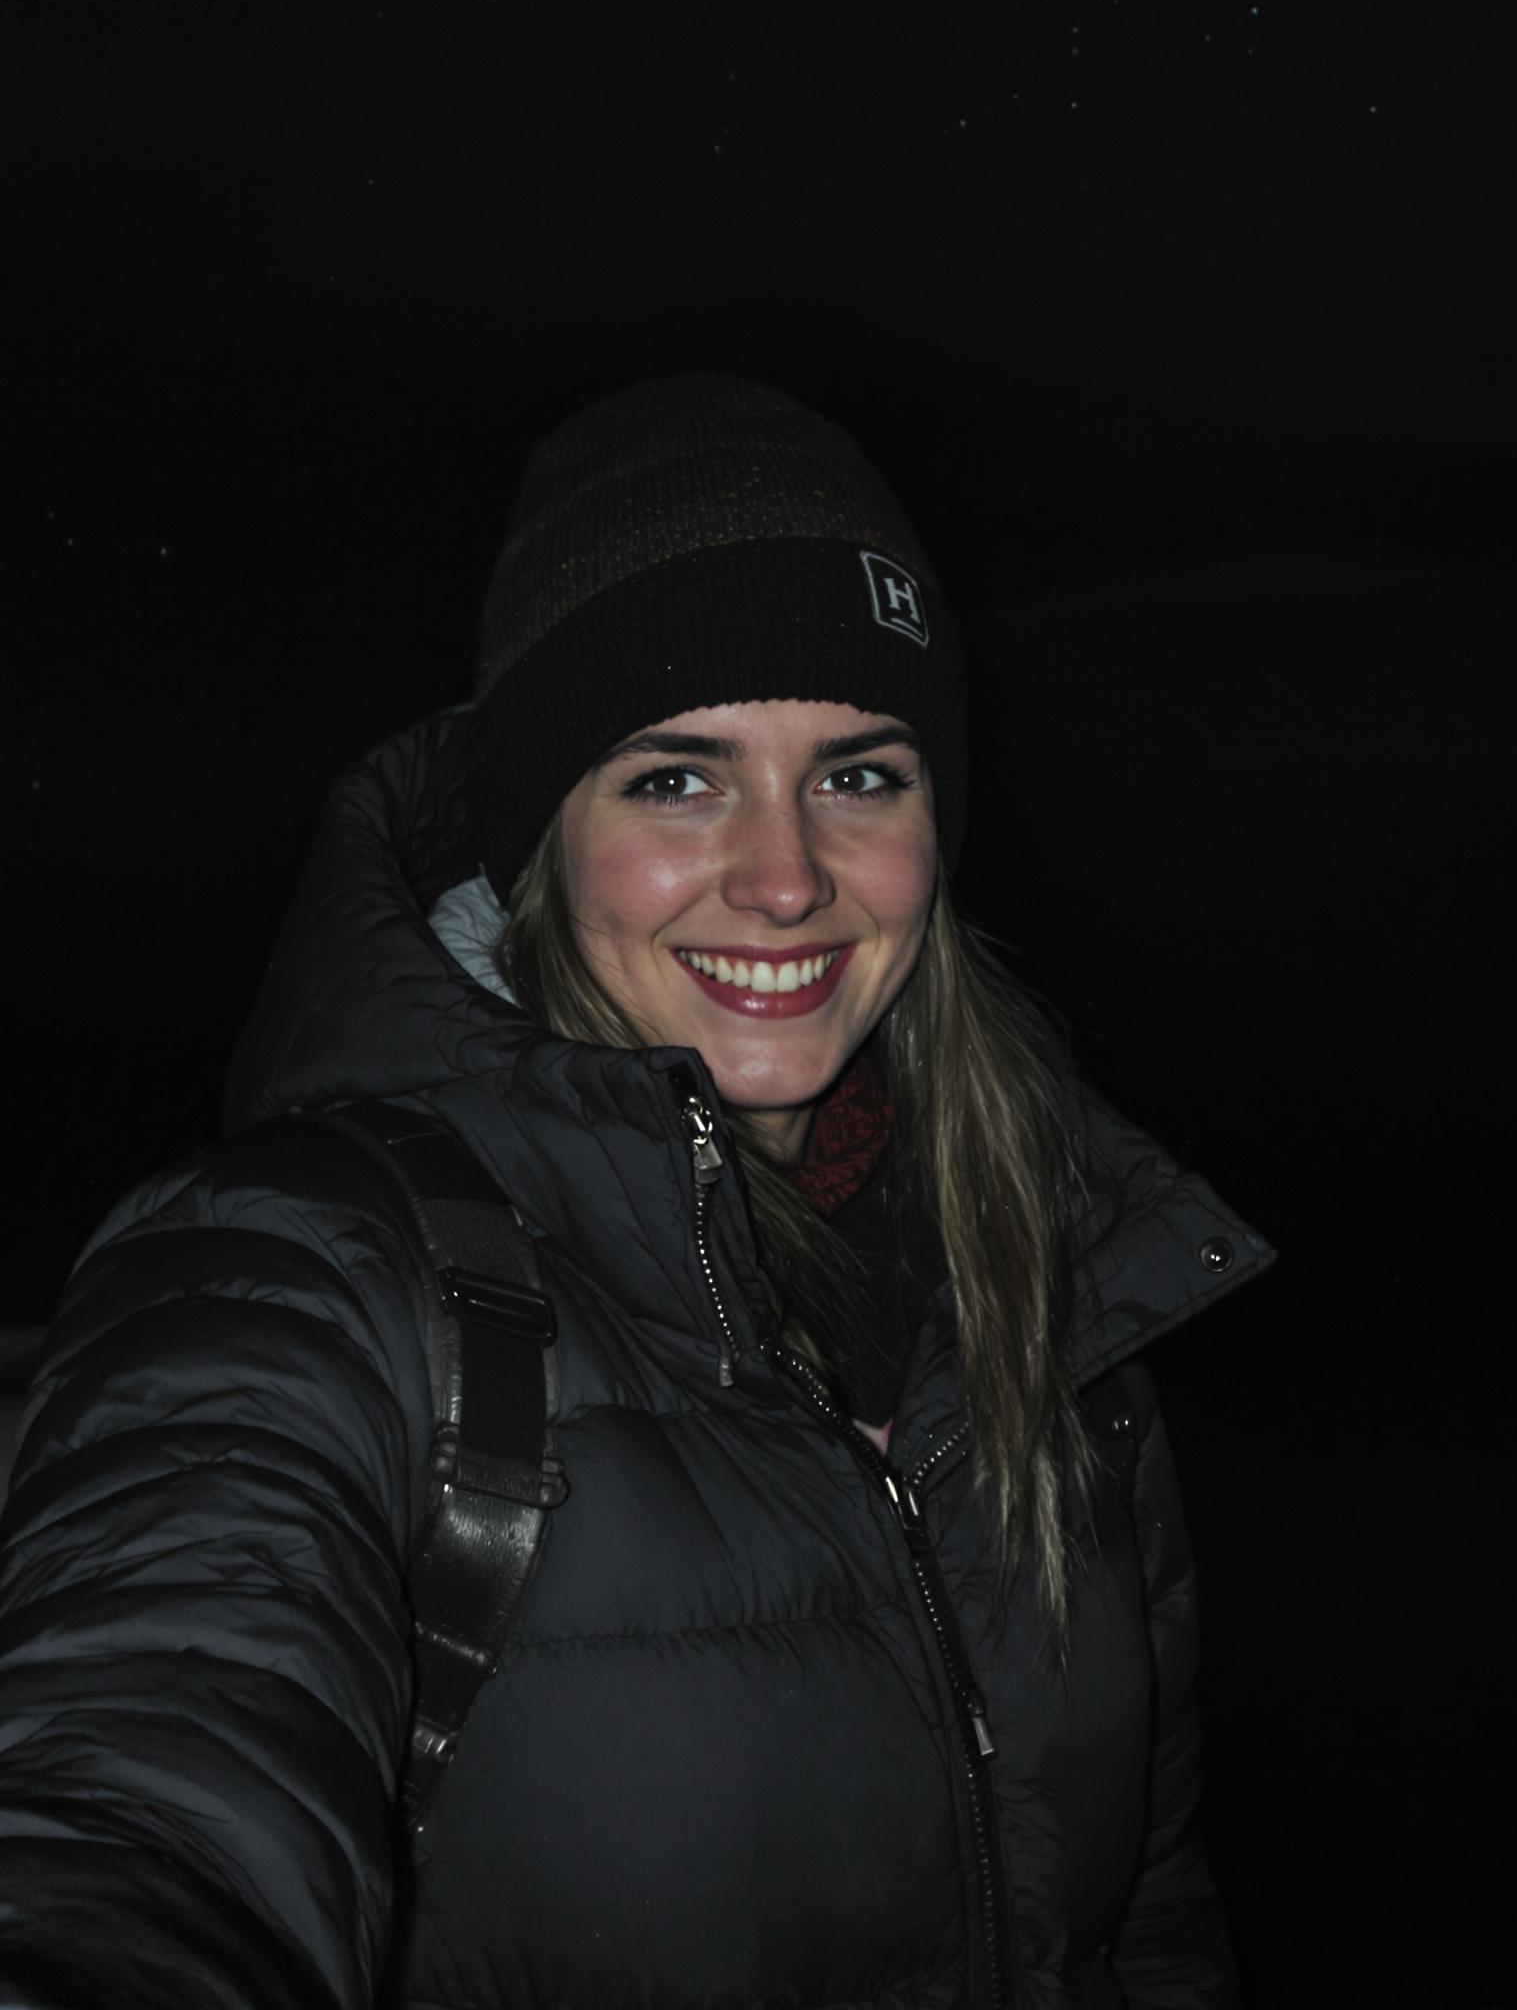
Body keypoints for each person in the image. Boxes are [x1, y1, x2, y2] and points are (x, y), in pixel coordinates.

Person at [0, 372, 1273, 2009]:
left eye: (860, 773)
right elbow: (141, 1784)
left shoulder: (1044, 1271)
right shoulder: (306, 1271)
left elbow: (1143, 1923)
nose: (790, 875)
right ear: (543, 838)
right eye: (675, 778)